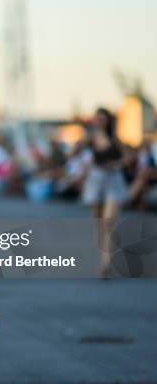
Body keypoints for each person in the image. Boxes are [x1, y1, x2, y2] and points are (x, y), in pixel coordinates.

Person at [81, 107, 127, 278]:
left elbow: (127, 156)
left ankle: (106, 264)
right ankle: (104, 259)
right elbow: (73, 152)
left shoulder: (115, 138)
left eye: (103, 118)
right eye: (97, 118)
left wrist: (117, 164)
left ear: (108, 120)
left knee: (108, 223)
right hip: (96, 180)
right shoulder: (90, 137)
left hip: (113, 180)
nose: (100, 121)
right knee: (99, 225)